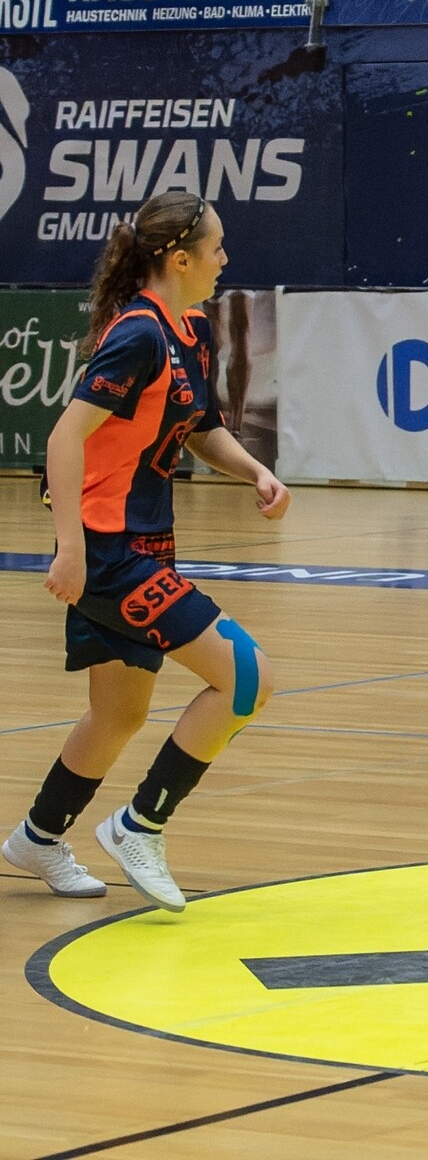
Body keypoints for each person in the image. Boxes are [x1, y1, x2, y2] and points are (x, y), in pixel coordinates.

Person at [2, 192, 287, 914]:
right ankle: (140, 825)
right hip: (109, 554)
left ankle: (38, 838)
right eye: (216, 248)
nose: (225, 259)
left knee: (119, 713)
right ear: (179, 259)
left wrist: (253, 470)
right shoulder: (138, 334)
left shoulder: (192, 330)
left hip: (146, 549)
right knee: (247, 678)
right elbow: (64, 437)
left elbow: (199, 427)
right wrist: (70, 550)